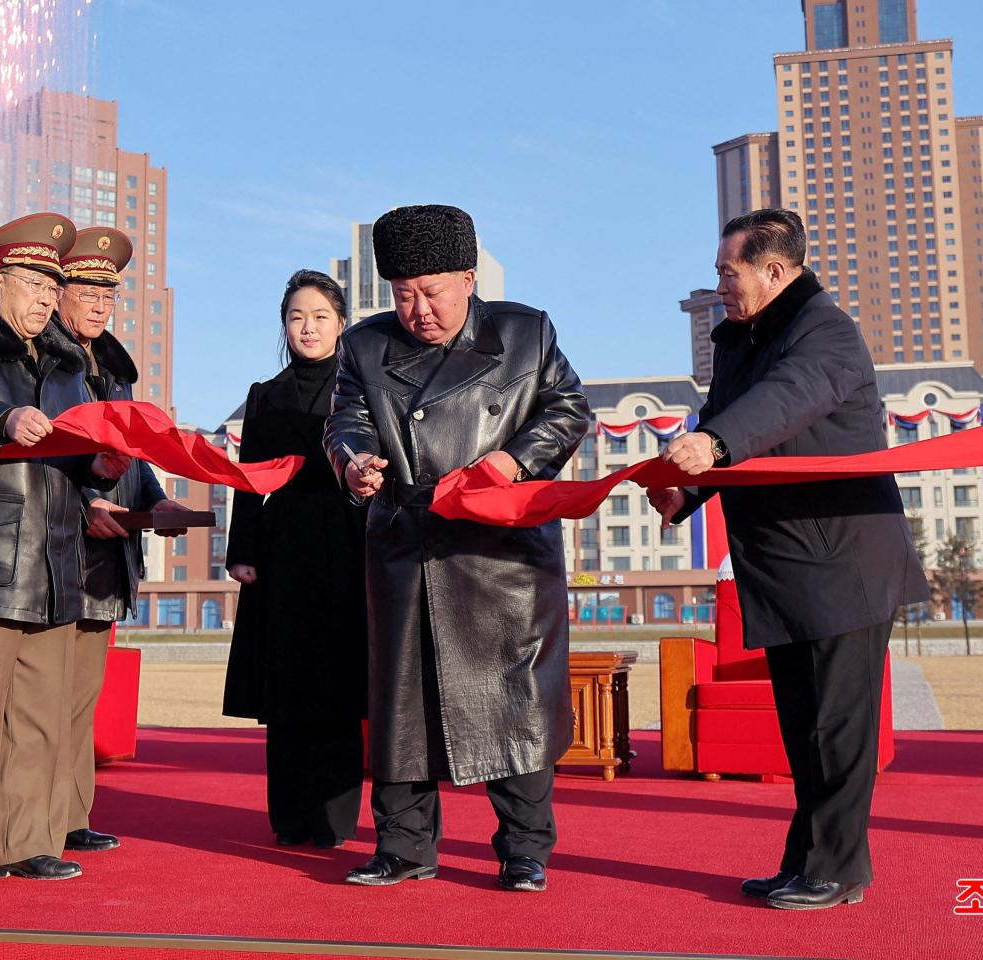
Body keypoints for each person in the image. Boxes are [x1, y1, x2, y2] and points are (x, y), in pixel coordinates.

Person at [649, 207, 930, 911]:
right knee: (804, 730)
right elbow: (727, 421)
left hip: (843, 562)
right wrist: (687, 492)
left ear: (774, 271)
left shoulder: (825, 332)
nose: (719, 285)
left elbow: (785, 402)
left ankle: (840, 870)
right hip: (783, 564)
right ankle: (805, 863)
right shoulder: (741, 341)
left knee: (839, 728)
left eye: (728, 272)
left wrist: (714, 446)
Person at [325, 204, 591, 892]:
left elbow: (568, 408)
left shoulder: (525, 332)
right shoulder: (364, 346)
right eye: (403, 295)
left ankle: (524, 849)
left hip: (501, 550)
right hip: (406, 543)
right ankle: (403, 846)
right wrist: (354, 462)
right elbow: (347, 420)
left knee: (515, 701)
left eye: (433, 292)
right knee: (401, 705)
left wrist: (513, 462)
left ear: (468, 280)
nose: (419, 310)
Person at [0, 212, 130, 891]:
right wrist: (2, 419)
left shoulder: (66, 365)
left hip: (55, 561)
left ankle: (28, 840)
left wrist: (100, 467)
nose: (45, 298)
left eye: (52, 286)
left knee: (38, 715)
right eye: (34, 283)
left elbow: (74, 453)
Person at [48, 225, 189, 855]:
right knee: (42, 701)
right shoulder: (44, 365)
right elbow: (39, 460)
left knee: (79, 702)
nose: (102, 305)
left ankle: (69, 816)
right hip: (56, 551)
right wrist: (84, 503)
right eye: (88, 291)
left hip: (106, 558)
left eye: (109, 294)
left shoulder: (112, 372)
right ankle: (33, 820)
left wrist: (157, 503)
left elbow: (128, 461)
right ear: (57, 293)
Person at [222, 269, 367, 849]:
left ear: (341, 324)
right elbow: (248, 478)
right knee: (285, 684)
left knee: (339, 683)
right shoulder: (266, 394)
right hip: (281, 547)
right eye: (297, 317)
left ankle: (333, 819)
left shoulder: (362, 388)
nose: (308, 328)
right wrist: (242, 549)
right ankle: (289, 816)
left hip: (348, 540)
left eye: (320, 317)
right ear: (284, 326)